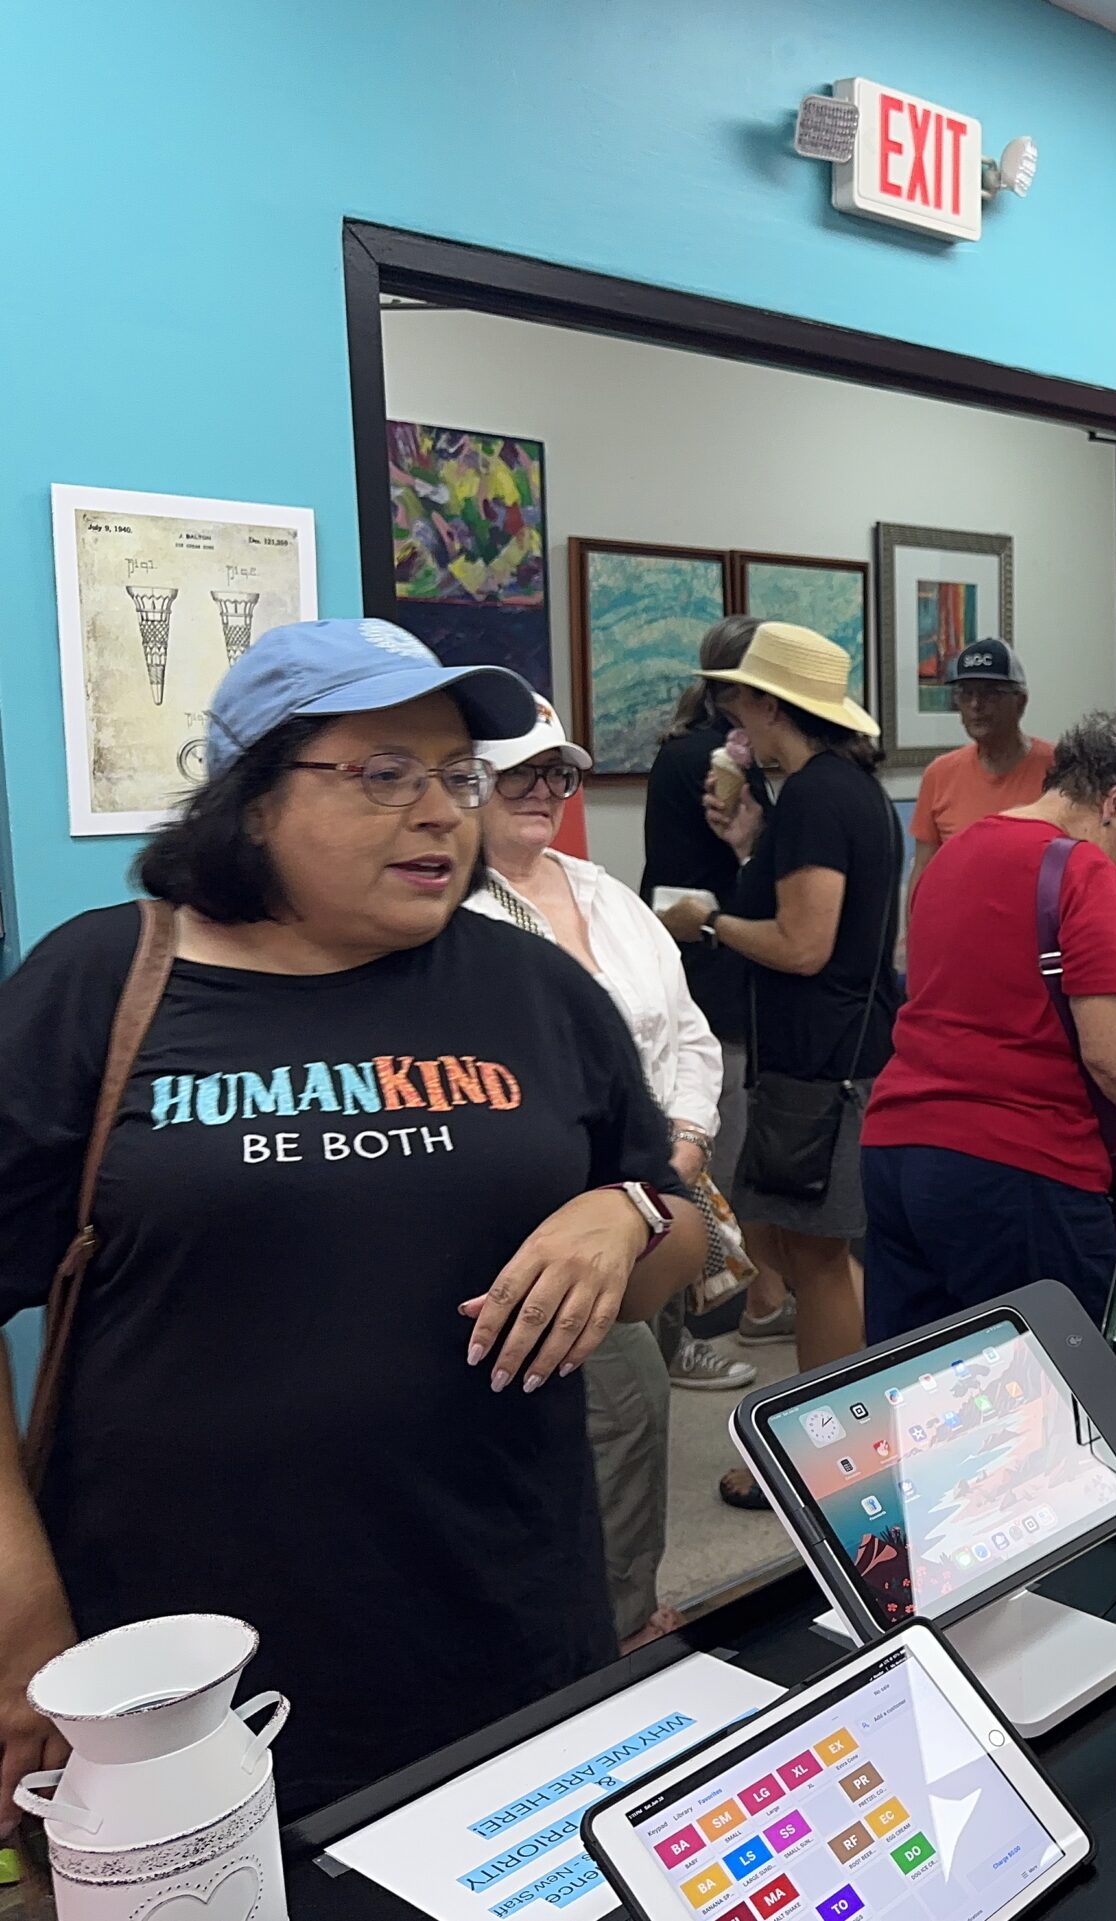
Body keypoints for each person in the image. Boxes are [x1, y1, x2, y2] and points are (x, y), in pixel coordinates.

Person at [0, 619, 704, 1826]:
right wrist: (21, 1620)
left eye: (458, 776)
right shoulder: (99, 986)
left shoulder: (531, 991)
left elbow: (680, 1234)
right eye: (385, 772)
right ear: (253, 798)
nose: (441, 812)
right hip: (175, 1660)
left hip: (505, 1615)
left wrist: (623, 1214)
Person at [467, 697, 727, 1649]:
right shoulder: (448, 911)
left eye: (559, 773)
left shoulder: (603, 892)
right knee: (625, 1409)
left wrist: (682, 1146)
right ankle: (610, 1629)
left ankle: (602, 1607)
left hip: (653, 1200)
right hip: (546, 1217)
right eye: (520, 772)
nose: (545, 791)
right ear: (468, 783)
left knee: (618, 1414)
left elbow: (689, 1035)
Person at [863, 709, 1116, 1337]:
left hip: (898, 1154)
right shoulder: (1080, 867)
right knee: (1059, 1398)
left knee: (920, 1393)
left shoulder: (957, 851)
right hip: (1018, 1172)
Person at [659, 626, 900, 1428]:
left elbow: (803, 945)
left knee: (820, 1259)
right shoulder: (842, 791)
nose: (733, 714)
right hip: (836, 1051)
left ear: (770, 704)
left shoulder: (818, 797)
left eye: (740, 697)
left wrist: (710, 919)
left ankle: (826, 1440)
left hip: (820, 1060)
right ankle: (839, 1433)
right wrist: (750, 847)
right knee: (809, 1252)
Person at [641, 616, 773, 1380]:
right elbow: (758, 862)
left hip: (684, 952)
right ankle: (710, 1311)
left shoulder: (674, 750)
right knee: (716, 1144)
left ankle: (761, 1297)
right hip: (719, 959)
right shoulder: (719, 761)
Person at [905, 637, 1054, 941]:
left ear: (1021, 702)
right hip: (959, 939)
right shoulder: (940, 773)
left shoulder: (1059, 768)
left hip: (1037, 941)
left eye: (991, 694)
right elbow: (924, 868)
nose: (975, 705)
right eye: (966, 693)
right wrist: (917, 938)